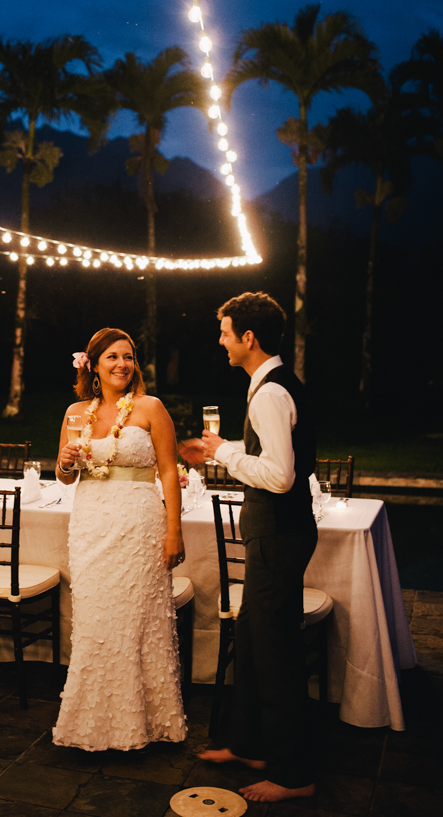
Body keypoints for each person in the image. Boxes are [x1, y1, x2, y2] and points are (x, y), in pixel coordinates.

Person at [179, 291, 317, 803]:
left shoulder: (269, 394)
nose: (221, 340)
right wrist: (221, 452)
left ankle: (293, 773)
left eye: (225, 331)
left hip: (279, 534)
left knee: (276, 651)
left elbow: (280, 476)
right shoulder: (270, 386)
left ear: (248, 337)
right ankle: (251, 745)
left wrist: (226, 458)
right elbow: (267, 455)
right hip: (275, 533)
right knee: (257, 642)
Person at [52, 327, 186, 751]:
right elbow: (64, 476)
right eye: (112, 356)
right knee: (95, 623)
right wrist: (65, 461)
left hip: (139, 524)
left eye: (128, 356)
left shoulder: (150, 408)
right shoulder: (76, 413)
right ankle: (89, 726)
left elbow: (168, 471)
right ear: (92, 364)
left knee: (139, 623)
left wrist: (174, 530)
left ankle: (146, 724)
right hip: (91, 524)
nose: (122, 364)